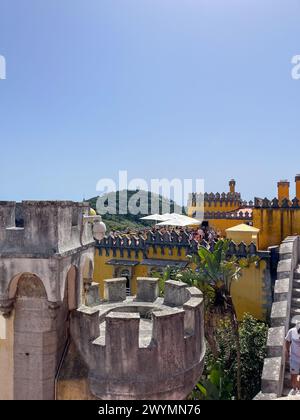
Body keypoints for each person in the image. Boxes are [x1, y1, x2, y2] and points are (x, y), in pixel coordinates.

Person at [285, 321, 300, 396]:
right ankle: (294, 389)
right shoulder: (291, 331)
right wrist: (287, 351)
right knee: (293, 376)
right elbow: (287, 341)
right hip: (294, 358)